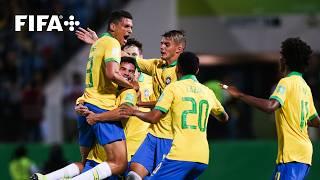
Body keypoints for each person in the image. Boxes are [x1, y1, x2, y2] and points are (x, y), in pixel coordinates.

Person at [31, 10, 135, 180]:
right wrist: (132, 85)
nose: (130, 30)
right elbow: (111, 73)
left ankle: (45, 178)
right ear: (113, 26)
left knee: (87, 163)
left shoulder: (99, 44)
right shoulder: (113, 44)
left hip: (86, 104)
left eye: (131, 27)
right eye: (126, 26)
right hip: (101, 108)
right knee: (119, 163)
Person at [76, 29, 186, 179]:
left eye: (166, 44)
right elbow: (127, 59)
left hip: (166, 137)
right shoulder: (154, 66)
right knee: (133, 174)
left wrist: (138, 106)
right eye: (161, 44)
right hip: (134, 142)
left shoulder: (180, 73)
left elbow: (167, 104)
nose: (162, 47)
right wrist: (99, 43)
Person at [221, 37, 320, 180]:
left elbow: (270, 106)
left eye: (281, 57)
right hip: (304, 154)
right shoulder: (305, 87)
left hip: (292, 154)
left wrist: (240, 95)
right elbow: (316, 121)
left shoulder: (286, 82)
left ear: (285, 61)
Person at [121, 52, 229, 179]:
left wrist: (134, 111)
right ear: (197, 70)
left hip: (180, 154)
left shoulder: (173, 88)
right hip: (202, 158)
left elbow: (154, 117)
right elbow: (224, 117)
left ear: (177, 68)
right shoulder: (208, 92)